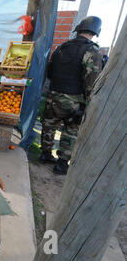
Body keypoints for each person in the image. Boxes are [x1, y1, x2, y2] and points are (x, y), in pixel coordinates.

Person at [40, 16, 103, 175]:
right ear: (96, 31)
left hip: (53, 95)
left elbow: (50, 72)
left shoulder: (62, 47)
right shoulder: (92, 51)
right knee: (70, 130)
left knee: (49, 125)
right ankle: (61, 164)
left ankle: (45, 154)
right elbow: (92, 81)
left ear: (79, 29)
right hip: (73, 100)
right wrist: (88, 102)